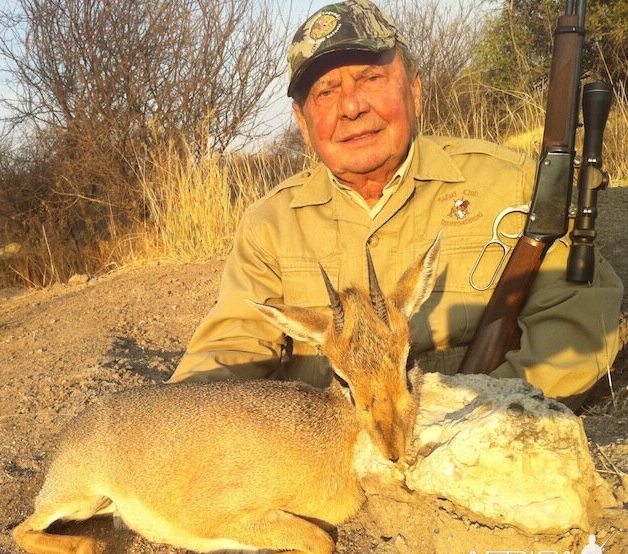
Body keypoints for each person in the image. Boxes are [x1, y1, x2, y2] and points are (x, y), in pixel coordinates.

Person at [169, 0, 623, 406]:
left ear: (415, 88)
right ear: (303, 123)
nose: (351, 107)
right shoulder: (269, 224)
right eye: (326, 92)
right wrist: (177, 431)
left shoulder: (510, 183)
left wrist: (473, 419)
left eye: (371, 77)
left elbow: (580, 322)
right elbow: (229, 349)